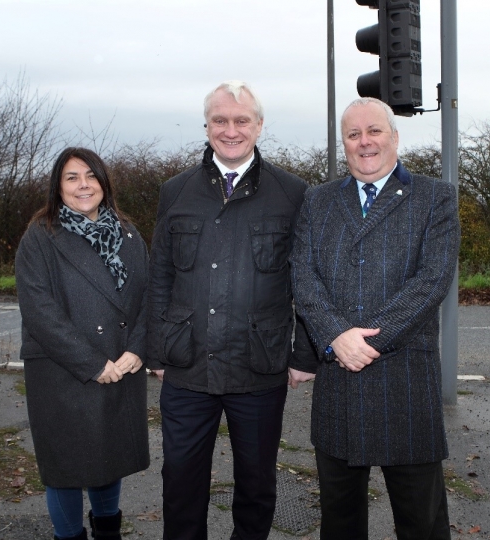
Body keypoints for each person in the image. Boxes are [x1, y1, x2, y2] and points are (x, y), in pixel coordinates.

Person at [146, 80, 315, 540]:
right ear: (206, 126)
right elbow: (159, 276)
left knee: (257, 486)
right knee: (180, 482)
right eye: (220, 120)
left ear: (259, 126)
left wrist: (304, 355)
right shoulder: (175, 192)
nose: (231, 130)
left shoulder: (293, 193)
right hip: (186, 367)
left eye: (242, 120)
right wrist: (158, 352)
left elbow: (307, 281)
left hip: (258, 367)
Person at [288, 97, 460, 540]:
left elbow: (432, 282)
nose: (364, 142)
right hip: (338, 385)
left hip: (405, 383)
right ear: (343, 143)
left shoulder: (435, 197)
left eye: (374, 131)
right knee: (340, 522)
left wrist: (364, 343)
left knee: (421, 522)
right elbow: (303, 278)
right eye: (353, 134)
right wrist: (334, 336)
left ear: (394, 137)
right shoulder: (318, 200)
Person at [15, 147, 150, 540]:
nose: (83, 185)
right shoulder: (40, 236)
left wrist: (138, 349)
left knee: (109, 457)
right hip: (64, 373)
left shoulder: (127, 231)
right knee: (67, 469)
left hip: (121, 366)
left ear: (105, 183)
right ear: (58, 187)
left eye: (91, 175)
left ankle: (108, 534)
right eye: (72, 177)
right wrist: (92, 364)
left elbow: (149, 295)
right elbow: (39, 310)